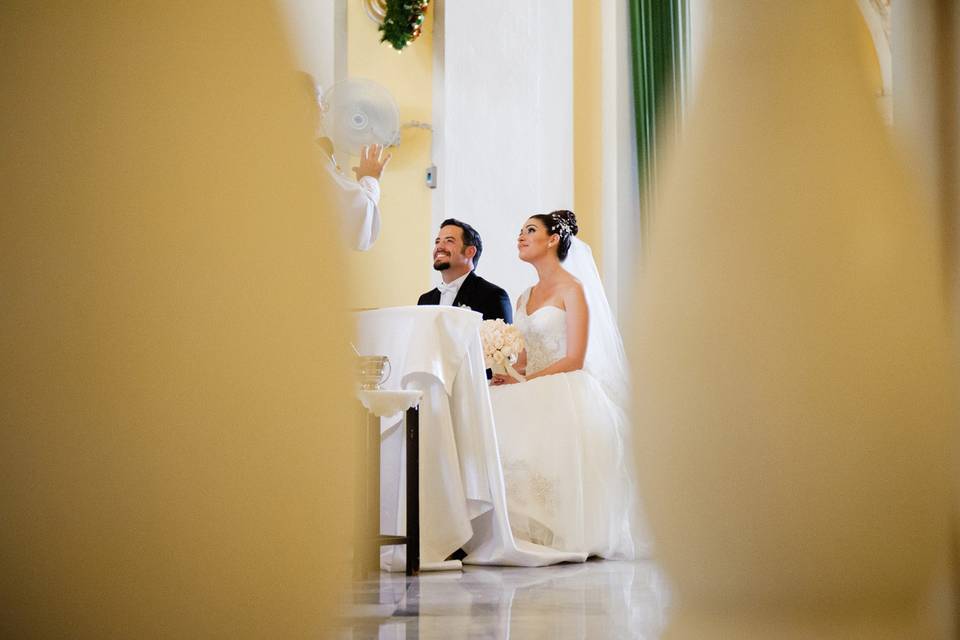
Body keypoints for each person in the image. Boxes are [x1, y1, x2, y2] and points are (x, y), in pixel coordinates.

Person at [483, 210, 641, 560]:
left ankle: (556, 531)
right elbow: (523, 359)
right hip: (532, 383)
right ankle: (513, 530)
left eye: (530, 230)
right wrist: (505, 366)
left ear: (552, 239)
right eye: (519, 231)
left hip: (565, 386)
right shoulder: (523, 296)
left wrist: (528, 383)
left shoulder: (574, 289)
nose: (520, 237)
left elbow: (575, 358)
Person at [302, 72, 390, 251]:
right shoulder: (305, 155)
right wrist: (370, 179)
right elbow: (356, 217)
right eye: (318, 100)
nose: (323, 109)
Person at [417, 218, 513, 322]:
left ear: (470, 251)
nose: (439, 246)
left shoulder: (493, 296)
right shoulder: (425, 300)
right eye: (437, 241)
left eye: (449, 241)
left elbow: (501, 337)